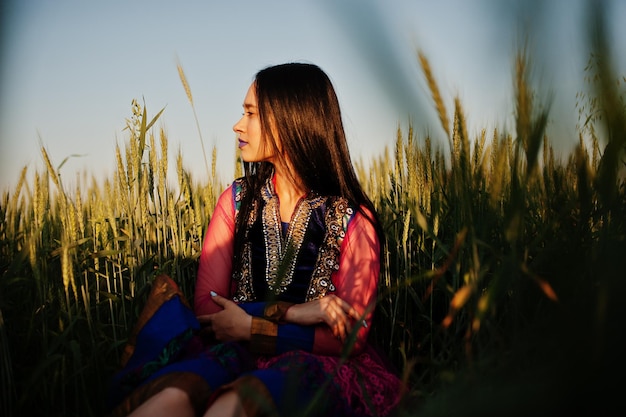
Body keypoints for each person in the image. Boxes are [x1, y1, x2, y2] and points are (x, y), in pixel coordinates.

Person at [106, 62, 403, 417]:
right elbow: (206, 306)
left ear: (289, 120)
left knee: (236, 404)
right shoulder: (234, 202)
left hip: (313, 366)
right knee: (170, 398)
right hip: (231, 351)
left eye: (250, 113)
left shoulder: (353, 217)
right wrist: (292, 312)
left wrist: (252, 328)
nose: (237, 124)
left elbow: (349, 337)